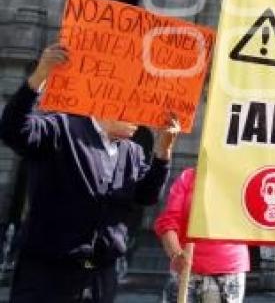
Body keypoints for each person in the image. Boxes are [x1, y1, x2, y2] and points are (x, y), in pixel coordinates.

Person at [0, 43, 179, 303]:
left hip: (99, 278)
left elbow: (147, 196)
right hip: (48, 275)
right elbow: (13, 129)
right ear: (110, 103)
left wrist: (164, 151)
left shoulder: (133, 152)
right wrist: (40, 75)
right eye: (137, 108)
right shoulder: (61, 129)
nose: (141, 118)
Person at [155, 167, 250, 302]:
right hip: (186, 268)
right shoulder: (188, 177)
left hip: (229, 270)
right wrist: (175, 253)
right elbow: (168, 221)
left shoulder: (243, 178)